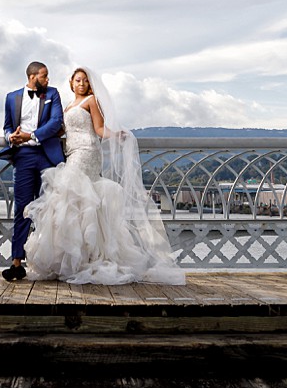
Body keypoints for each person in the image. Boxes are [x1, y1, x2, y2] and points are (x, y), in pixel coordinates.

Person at [21, 67, 185, 285]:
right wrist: (30, 134)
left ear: (90, 84)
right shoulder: (69, 105)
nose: (82, 84)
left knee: (72, 195)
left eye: (85, 81)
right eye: (78, 80)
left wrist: (115, 134)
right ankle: (75, 258)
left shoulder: (91, 101)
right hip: (72, 153)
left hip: (87, 152)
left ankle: (81, 259)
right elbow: (60, 130)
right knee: (76, 200)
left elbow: (99, 129)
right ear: (71, 82)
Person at [0, 61, 64, 281]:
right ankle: (16, 263)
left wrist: (31, 135)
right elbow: (7, 126)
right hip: (24, 157)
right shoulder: (11, 97)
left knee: (51, 209)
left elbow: (56, 122)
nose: (48, 79)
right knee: (23, 209)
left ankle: (53, 264)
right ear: (32, 76)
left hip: (47, 155)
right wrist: (11, 136)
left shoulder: (53, 94)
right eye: (44, 76)